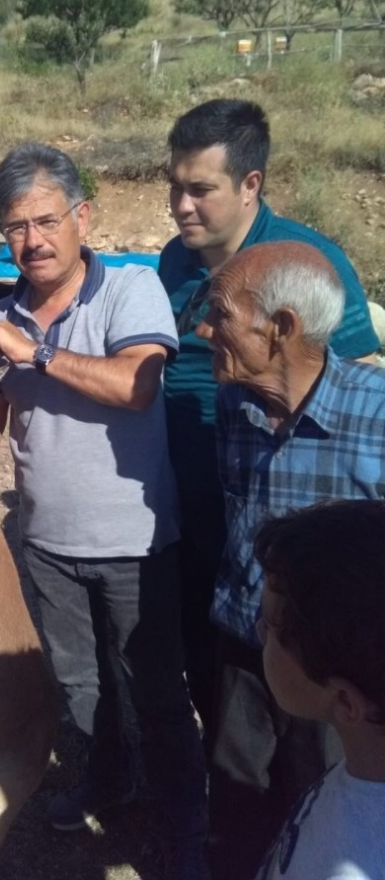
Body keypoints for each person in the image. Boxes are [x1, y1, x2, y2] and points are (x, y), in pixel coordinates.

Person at [0, 143, 207, 879]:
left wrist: (36, 353)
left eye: (46, 220)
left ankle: (183, 827)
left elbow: (137, 385)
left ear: (83, 216)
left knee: (156, 690)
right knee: (80, 683)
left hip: (136, 538)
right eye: (15, 227)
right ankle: (109, 780)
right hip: (47, 540)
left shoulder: (130, 288)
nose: (33, 241)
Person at [158, 98, 379, 738]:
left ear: (250, 184)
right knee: (217, 660)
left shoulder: (309, 263)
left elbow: (344, 389)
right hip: (203, 497)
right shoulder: (175, 260)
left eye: (200, 190)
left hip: (283, 502)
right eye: (174, 187)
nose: (181, 207)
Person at [194, 241, 385, 877]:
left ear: (281, 329)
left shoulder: (378, 415)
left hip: (335, 675)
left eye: (220, 314)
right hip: (245, 649)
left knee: (329, 811)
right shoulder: (232, 405)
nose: (203, 330)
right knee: (235, 808)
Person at [254, 500, 385, 880]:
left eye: (270, 628)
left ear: (345, 701)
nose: (259, 633)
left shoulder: (349, 864)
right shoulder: (361, 773)